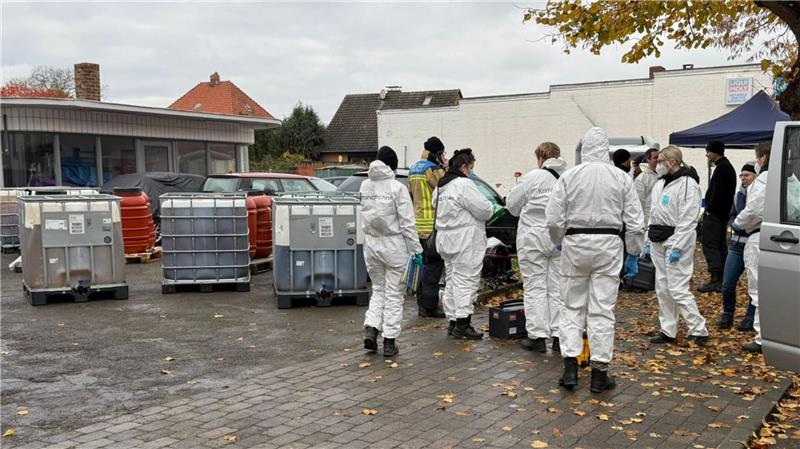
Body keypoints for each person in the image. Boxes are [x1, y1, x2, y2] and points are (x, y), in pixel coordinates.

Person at [546, 127, 645, 393]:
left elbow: (553, 218)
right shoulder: (620, 177)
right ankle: (599, 374)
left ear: (584, 149)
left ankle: (570, 368)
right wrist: (633, 251)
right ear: (605, 150)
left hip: (575, 243)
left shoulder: (569, 176)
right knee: (602, 309)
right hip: (608, 244)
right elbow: (635, 222)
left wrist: (558, 240)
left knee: (571, 307)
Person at [361, 147, 423, 357]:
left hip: (371, 246)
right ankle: (389, 341)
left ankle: (371, 329)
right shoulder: (397, 188)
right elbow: (407, 224)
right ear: (393, 166)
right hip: (394, 247)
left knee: (378, 289)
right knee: (394, 294)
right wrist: (416, 250)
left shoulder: (365, 185)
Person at [506, 142, 567, 353]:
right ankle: (560, 336)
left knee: (535, 287)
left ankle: (537, 336)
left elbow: (512, 206)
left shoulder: (532, 177)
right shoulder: (568, 178)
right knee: (558, 288)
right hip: (559, 238)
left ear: (540, 158)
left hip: (532, 238)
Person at [646, 146, 710, 346]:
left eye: (660, 160)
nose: (657, 164)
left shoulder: (688, 184)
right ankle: (668, 330)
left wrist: (677, 246)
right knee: (663, 288)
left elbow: (688, 218)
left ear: (672, 162)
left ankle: (699, 329)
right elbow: (653, 213)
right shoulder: (660, 183)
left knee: (677, 288)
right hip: (658, 239)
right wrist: (647, 241)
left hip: (676, 240)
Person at [433, 148, 497, 340]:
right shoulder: (463, 184)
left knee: (452, 280)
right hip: (464, 240)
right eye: (470, 167)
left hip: (445, 239)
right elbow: (484, 209)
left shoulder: (441, 186)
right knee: (466, 281)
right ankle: (463, 323)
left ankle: (453, 320)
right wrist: (490, 206)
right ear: (463, 167)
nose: (471, 171)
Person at [735, 143, 771, 353]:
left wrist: (738, 223)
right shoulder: (786, 179)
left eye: (757, 158)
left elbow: (754, 210)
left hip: (758, 236)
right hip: (772, 236)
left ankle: (762, 337)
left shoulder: (762, 181)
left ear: (762, 158)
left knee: (758, 290)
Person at [408, 136, 448, 318]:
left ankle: (421, 305)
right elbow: (445, 187)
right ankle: (430, 306)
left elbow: (410, 194)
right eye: (442, 153)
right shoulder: (432, 169)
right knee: (433, 266)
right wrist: (445, 169)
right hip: (431, 225)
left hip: (417, 224)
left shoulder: (414, 168)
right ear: (436, 153)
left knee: (423, 266)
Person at [715, 164, 758, 330]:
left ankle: (750, 317)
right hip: (736, 246)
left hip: (754, 245)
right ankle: (727, 314)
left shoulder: (760, 195)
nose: (743, 178)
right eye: (741, 175)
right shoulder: (738, 195)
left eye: (747, 175)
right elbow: (732, 215)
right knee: (727, 283)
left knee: (754, 284)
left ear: (756, 176)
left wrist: (745, 225)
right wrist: (735, 224)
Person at [698, 140, 736, 293]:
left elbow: (717, 194)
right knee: (720, 246)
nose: (707, 155)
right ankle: (722, 278)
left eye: (708, 151)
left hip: (715, 215)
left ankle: (716, 279)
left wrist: (709, 209)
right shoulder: (726, 167)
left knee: (711, 245)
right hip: (721, 215)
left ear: (715, 152)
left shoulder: (722, 168)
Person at [635, 148, 660, 225]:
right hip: (648, 220)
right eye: (655, 157)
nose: (658, 159)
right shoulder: (642, 178)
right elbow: (639, 204)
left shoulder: (663, 175)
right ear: (648, 159)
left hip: (661, 219)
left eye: (659, 157)